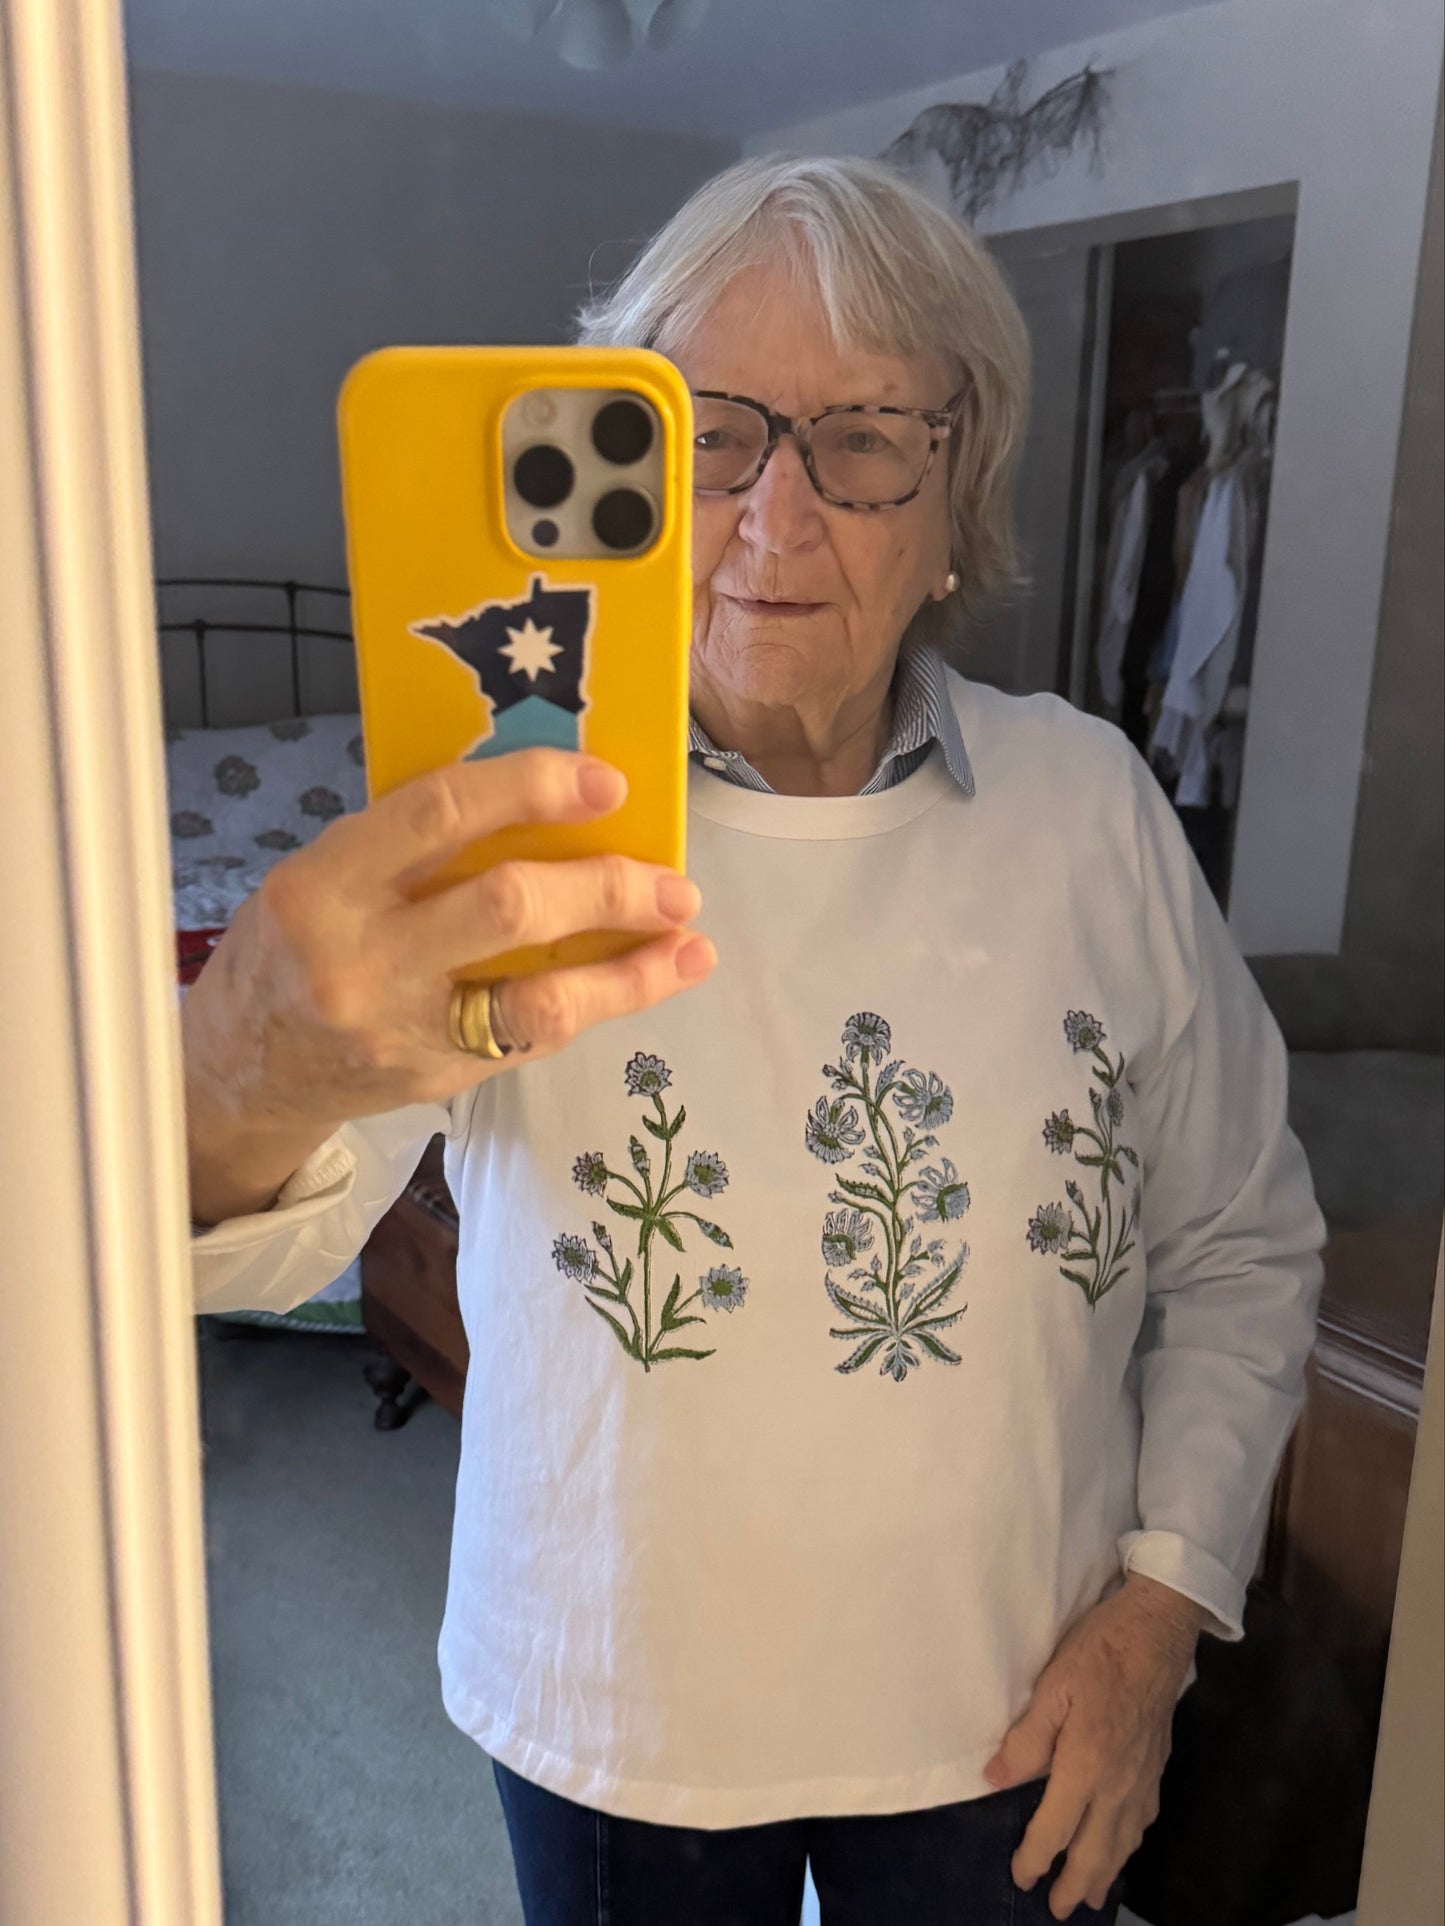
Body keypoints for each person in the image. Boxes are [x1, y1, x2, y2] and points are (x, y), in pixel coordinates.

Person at [184, 155, 1325, 1926]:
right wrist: (239, 1062)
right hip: (616, 1715)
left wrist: (1160, 1613)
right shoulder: (502, 820)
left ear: (959, 495)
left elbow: (1244, 1240)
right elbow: (265, 1228)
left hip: (1010, 1718)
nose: (773, 519)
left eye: (865, 438)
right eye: (702, 435)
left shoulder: (1092, 807)